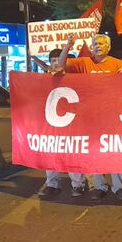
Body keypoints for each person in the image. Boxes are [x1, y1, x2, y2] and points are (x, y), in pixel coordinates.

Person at [56, 33, 122, 202]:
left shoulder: (119, 63)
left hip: (113, 116)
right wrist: (68, 45)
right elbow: (60, 66)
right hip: (91, 117)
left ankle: (119, 188)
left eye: (101, 43)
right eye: (95, 43)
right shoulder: (84, 62)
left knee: (115, 151)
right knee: (95, 152)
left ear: (109, 47)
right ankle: (99, 187)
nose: (97, 46)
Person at [37, 48, 90, 198]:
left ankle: (78, 184)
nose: (56, 63)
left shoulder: (77, 78)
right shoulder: (44, 79)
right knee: (51, 153)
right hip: (52, 123)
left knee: (73, 152)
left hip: (73, 123)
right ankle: (52, 183)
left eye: (58, 60)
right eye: (52, 61)